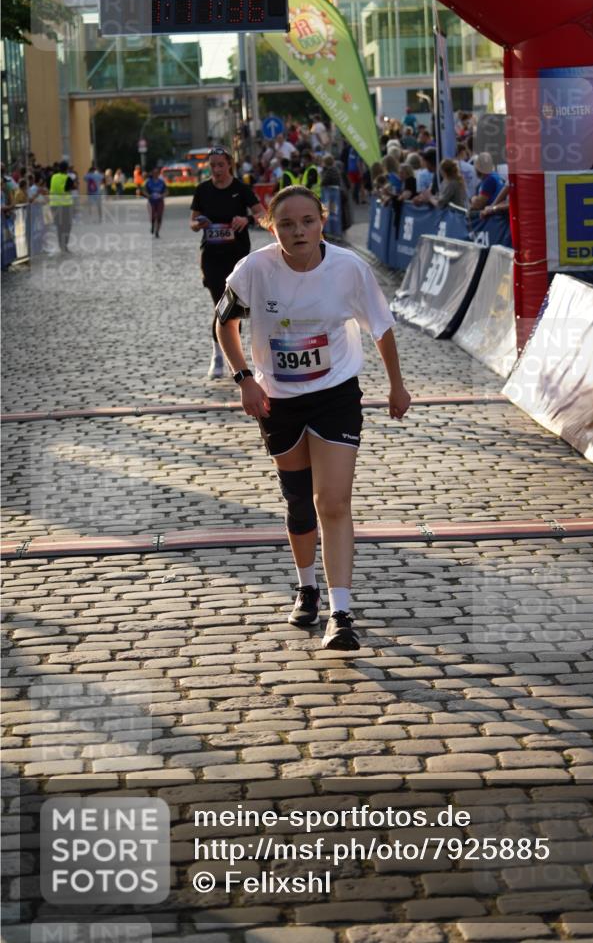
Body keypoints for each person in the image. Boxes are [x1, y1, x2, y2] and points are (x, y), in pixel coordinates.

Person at [216, 186, 411, 650]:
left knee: (334, 502)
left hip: (335, 393)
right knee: (299, 500)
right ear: (271, 227)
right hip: (278, 398)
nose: (298, 231)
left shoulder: (348, 268)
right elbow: (223, 322)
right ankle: (307, 587)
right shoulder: (254, 270)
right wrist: (244, 378)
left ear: (322, 221)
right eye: (286, 223)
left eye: (308, 221)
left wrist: (396, 384)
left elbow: (381, 326)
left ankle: (341, 614)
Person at [190, 145, 265, 379]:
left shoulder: (241, 189)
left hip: (238, 256)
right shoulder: (202, 190)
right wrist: (199, 224)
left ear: (229, 164)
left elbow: (263, 215)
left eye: (220, 165)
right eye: (212, 166)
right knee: (221, 305)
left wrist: (246, 219)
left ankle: (231, 357)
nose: (217, 170)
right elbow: (192, 222)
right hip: (212, 256)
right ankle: (219, 354)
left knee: (234, 308)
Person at [49, 160, 75, 252]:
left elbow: (50, 188)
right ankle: (65, 245)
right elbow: (71, 188)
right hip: (66, 205)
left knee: (59, 226)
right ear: (67, 169)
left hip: (54, 205)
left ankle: (61, 245)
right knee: (67, 226)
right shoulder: (68, 178)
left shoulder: (53, 177)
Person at [141, 166, 168, 237]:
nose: (156, 174)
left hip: (159, 201)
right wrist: (148, 195)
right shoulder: (148, 182)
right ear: (152, 173)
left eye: (157, 173)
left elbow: (166, 191)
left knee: (159, 216)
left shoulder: (161, 182)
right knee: (152, 216)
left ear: (159, 174)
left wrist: (162, 195)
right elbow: (144, 191)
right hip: (151, 201)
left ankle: (157, 232)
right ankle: (152, 225)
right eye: (154, 173)